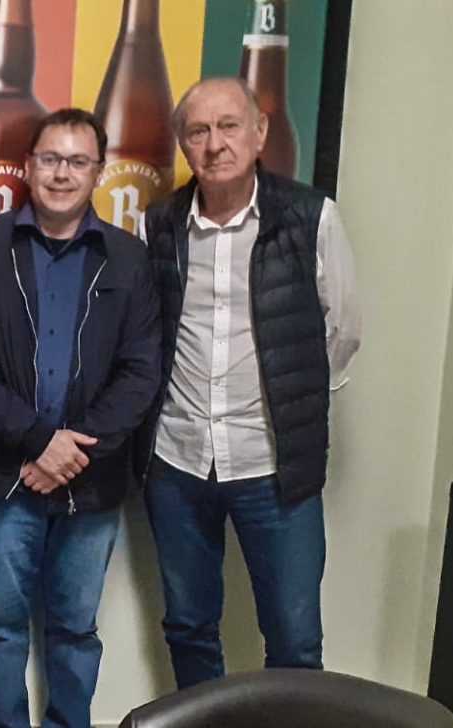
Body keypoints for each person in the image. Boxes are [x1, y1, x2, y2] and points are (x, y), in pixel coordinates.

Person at [136, 77, 362, 689]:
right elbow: (144, 335)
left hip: (274, 466)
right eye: (198, 131)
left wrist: (293, 403)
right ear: (184, 144)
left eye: (229, 126)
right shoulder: (158, 225)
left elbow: (342, 331)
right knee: (188, 626)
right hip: (178, 462)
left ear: (260, 133)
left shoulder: (311, 218)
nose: (215, 144)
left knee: (294, 639)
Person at [0, 108, 161, 728]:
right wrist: (38, 442)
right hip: (3, 479)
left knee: (74, 631)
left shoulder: (128, 258)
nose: (62, 174)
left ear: (98, 172)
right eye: (50, 159)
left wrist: (71, 455)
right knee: (1, 631)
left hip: (92, 485)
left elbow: (141, 371)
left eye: (77, 161)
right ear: (28, 166)